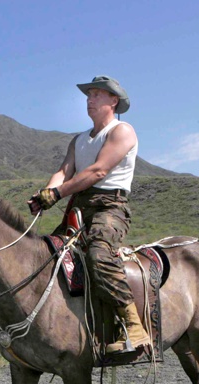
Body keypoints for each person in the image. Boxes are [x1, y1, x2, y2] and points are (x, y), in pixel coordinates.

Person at [28, 75, 151, 354]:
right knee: (47, 255)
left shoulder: (122, 131)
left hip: (110, 207)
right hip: (79, 208)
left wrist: (58, 194)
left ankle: (135, 327)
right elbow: (63, 171)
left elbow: (98, 172)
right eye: (89, 95)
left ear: (113, 100)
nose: (90, 99)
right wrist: (46, 193)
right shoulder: (79, 140)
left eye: (97, 94)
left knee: (99, 254)